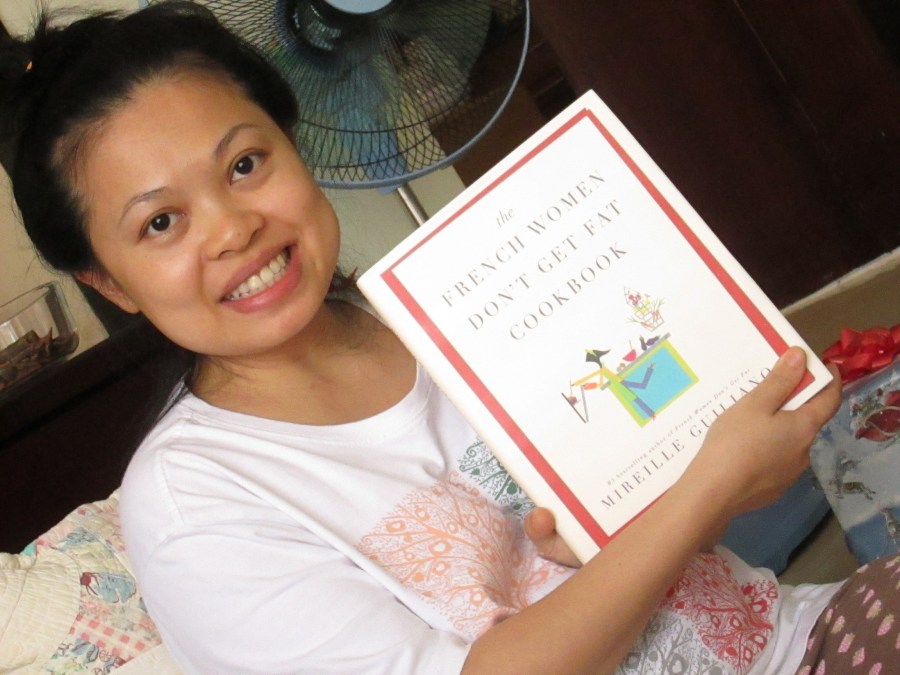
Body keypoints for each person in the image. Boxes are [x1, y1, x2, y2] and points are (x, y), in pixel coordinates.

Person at [1, 2, 895, 673]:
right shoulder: (193, 498)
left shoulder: (456, 305)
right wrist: (705, 492)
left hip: (796, 638)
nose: (233, 228)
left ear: (295, 147)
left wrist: (714, 443)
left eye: (244, 164)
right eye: (161, 223)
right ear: (107, 281)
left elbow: (652, 475)